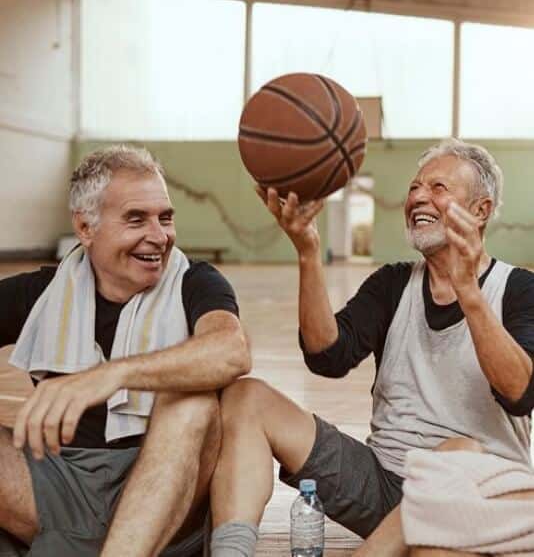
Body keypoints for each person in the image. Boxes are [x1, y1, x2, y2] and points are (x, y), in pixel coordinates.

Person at [208, 138, 534, 556]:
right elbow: (327, 355)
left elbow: (520, 392)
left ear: (480, 210)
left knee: (456, 453)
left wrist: (468, 291)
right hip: (383, 481)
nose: (418, 196)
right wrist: (308, 250)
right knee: (245, 396)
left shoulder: (520, 289)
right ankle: (231, 552)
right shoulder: (393, 283)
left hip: (471, 492)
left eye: (438, 188)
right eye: (415, 186)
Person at [0, 145, 251, 557]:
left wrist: (111, 374)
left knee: (191, 404)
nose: (158, 235)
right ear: (85, 228)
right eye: (136, 219)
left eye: (165, 217)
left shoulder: (196, 282)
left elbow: (231, 351)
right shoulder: (42, 294)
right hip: (55, 485)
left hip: (162, 495)